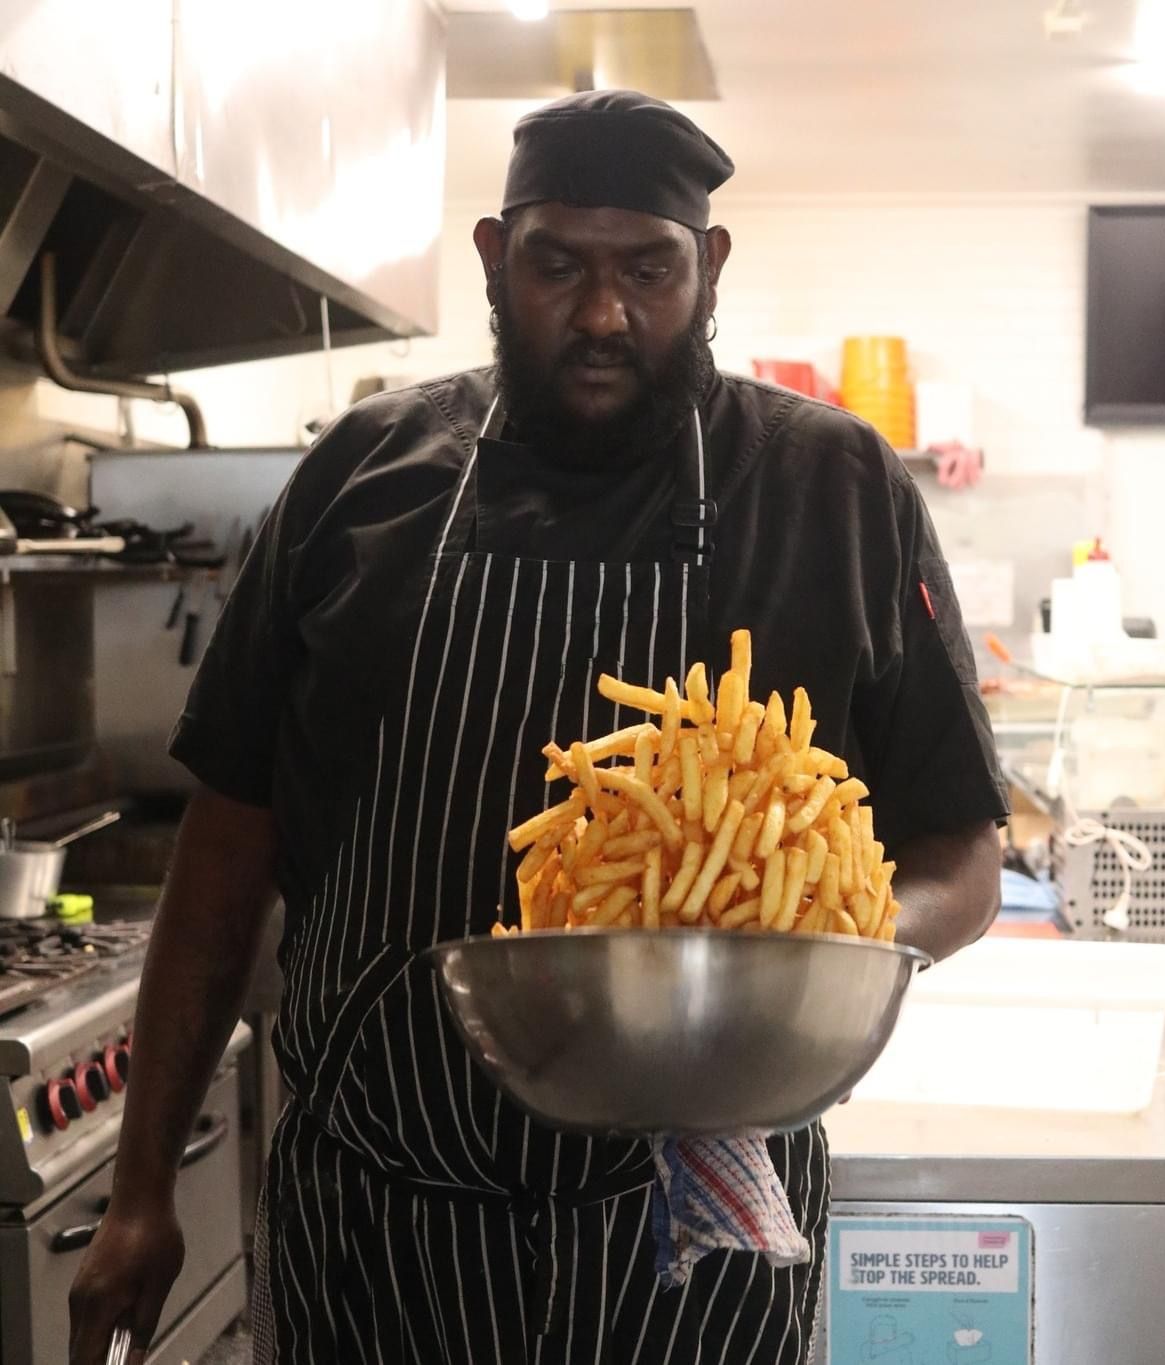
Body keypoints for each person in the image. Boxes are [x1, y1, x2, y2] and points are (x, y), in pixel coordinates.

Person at [69, 90, 1006, 1364]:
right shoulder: (361, 476)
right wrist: (139, 1191)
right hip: (384, 1226)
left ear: (711, 264)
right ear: (495, 257)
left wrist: (829, 946)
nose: (605, 314)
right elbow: (229, 842)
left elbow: (962, 850)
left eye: (649, 270)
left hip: (703, 1250)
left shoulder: (834, 490)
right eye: (560, 265)